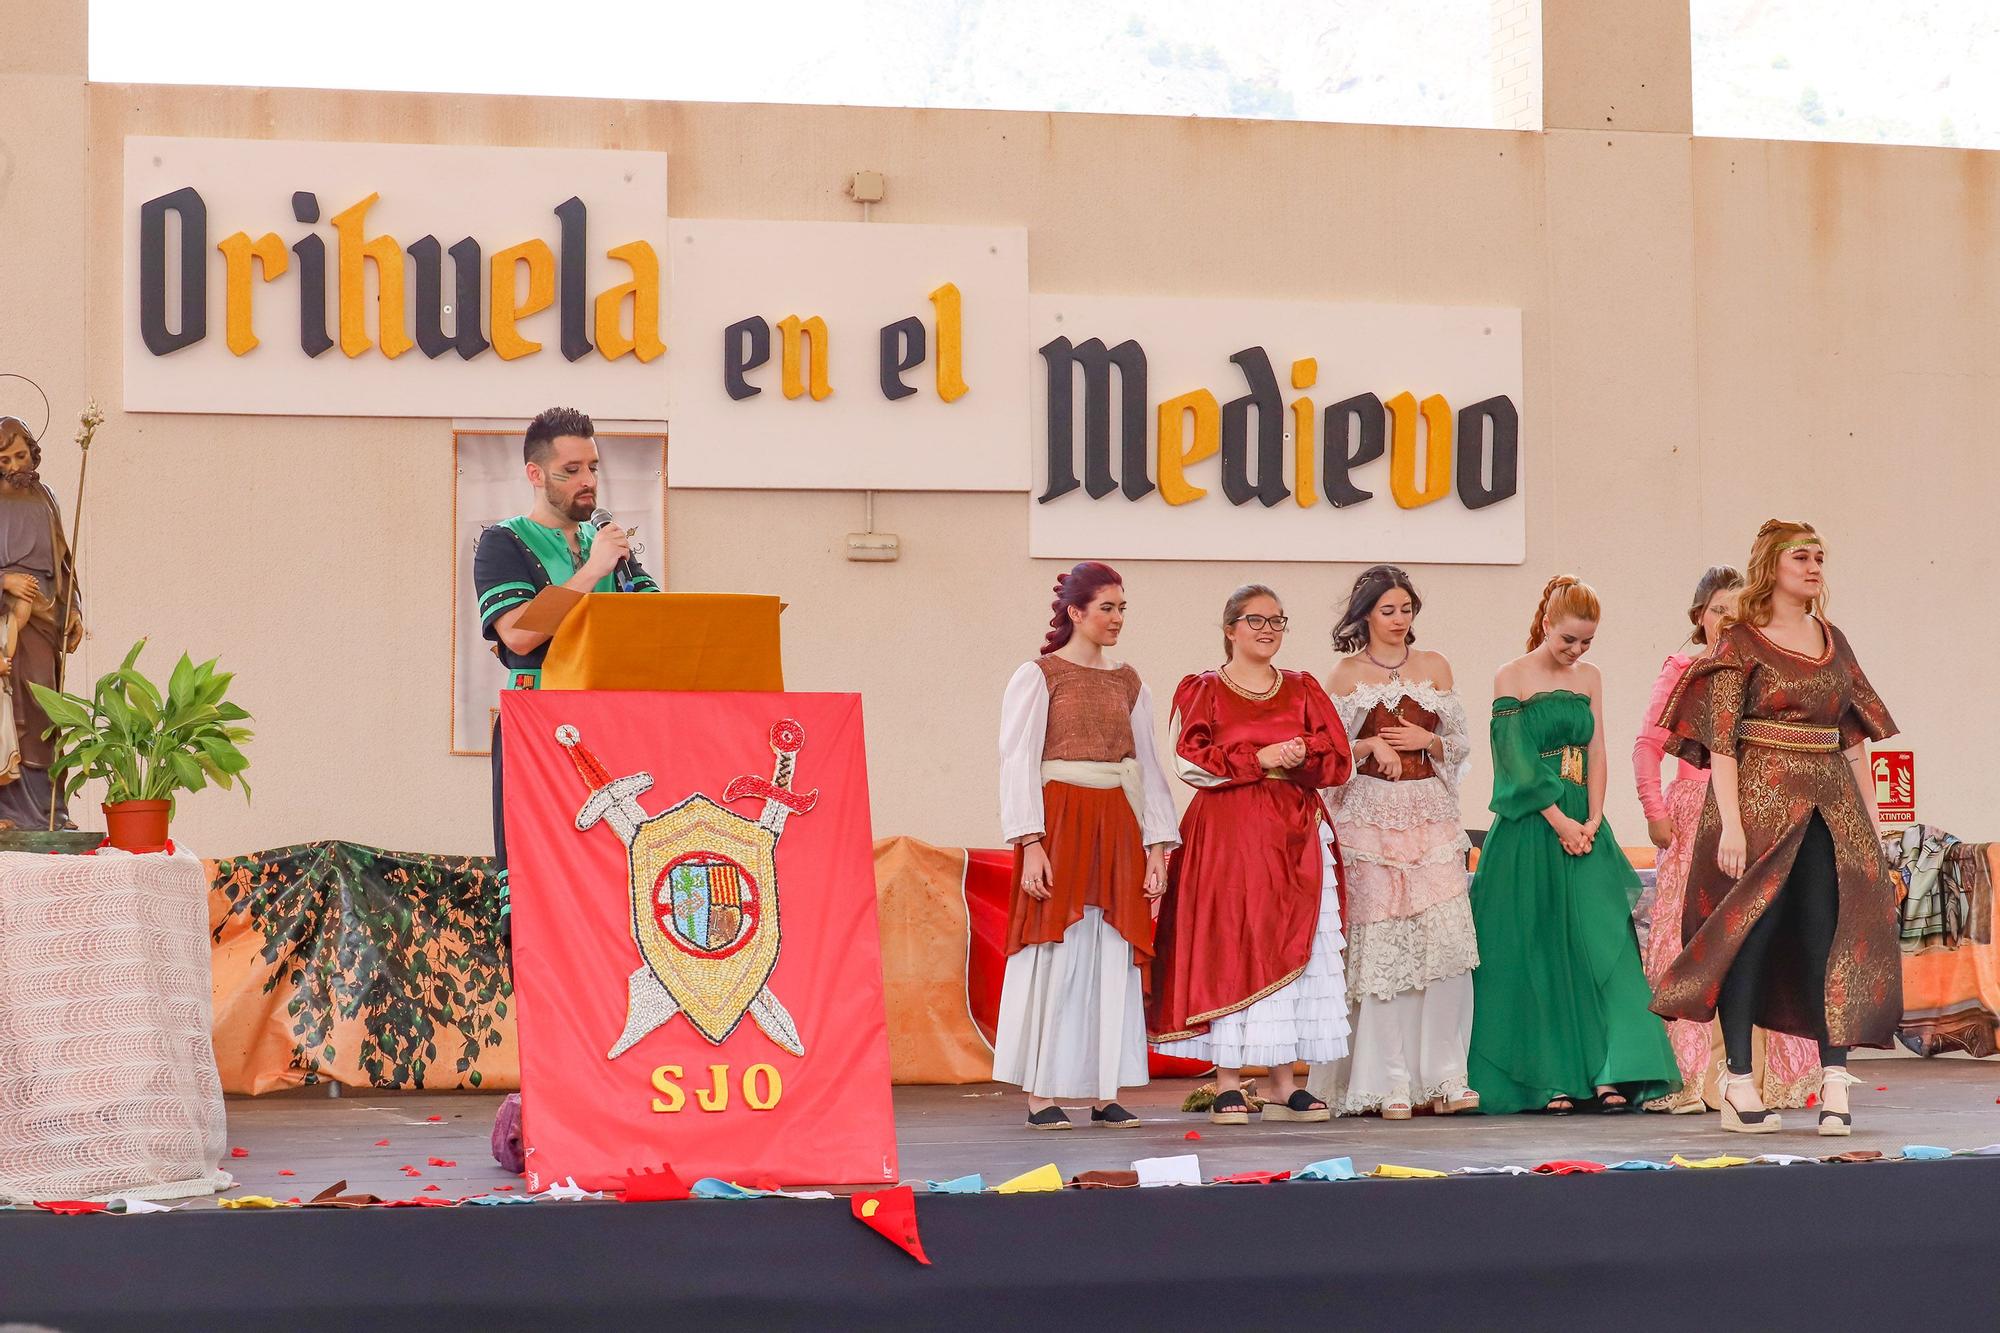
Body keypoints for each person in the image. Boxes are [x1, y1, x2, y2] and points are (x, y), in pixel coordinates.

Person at [1654, 521, 1900, 1136]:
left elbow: (1853, 741)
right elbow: (1723, 744)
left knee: (1829, 937)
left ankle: (1835, 1082)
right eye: (1801, 557)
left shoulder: (1832, 639)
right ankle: (1738, 1082)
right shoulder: (1739, 641)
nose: (1815, 567)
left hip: (1830, 805)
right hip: (1758, 806)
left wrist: (1873, 826)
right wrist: (1731, 826)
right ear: (1772, 566)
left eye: (1820, 557)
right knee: (1748, 937)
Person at [1466, 575, 1679, 1115]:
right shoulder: (1510, 676)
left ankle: (1610, 1071)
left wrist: (1595, 817)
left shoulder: (1590, 677)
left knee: (1600, 945)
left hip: (1585, 825)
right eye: (1568, 639)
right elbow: (1512, 762)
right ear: (1545, 624)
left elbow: (1597, 748)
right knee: (1537, 951)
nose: (1577, 650)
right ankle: (1549, 1078)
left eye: (1586, 641)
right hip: (1530, 828)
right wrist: (1560, 820)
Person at [1148, 584, 1352, 1126]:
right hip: (1228, 834)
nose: (1267, 629)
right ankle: (1229, 1082)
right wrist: (1259, 756)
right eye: (1255, 619)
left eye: (1277, 620)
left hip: (1294, 832)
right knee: (1232, 943)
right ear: (1230, 628)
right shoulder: (1204, 689)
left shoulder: (1304, 688)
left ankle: (1285, 1082)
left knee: (1292, 944)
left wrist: (1302, 751)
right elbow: (1187, 760)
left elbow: (1338, 759)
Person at [995, 562, 1179, 1130]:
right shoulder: (1040, 675)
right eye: (1107, 607)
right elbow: (1018, 760)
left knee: (1110, 947)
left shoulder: (1130, 682)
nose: (1117, 618)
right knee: (1057, 945)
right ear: (1075, 612)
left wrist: (1156, 848)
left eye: (1122, 607)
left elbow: (1147, 766)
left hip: (1117, 823)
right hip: (1062, 821)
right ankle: (1041, 1093)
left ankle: (1103, 1091)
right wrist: (1030, 841)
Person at [1633, 566, 1820, 1115]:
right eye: (1718, 608)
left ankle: (1760, 1075)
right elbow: (1648, 743)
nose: (1727, 617)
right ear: (1699, 615)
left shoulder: (1762, 664)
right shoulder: (1686, 667)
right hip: (1696, 811)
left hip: (1760, 810)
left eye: (1737, 609)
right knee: (1693, 934)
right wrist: (1655, 809)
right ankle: (1696, 1075)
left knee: (1759, 933)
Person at [473, 406, 660, 941]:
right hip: (542, 728)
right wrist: (594, 570)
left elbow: (657, 626)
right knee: (544, 888)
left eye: (594, 468)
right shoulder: (503, 542)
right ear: (535, 474)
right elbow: (519, 634)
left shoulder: (612, 547)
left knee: (618, 894)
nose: (588, 483)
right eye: (571, 470)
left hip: (617, 726)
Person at [1306, 566, 1479, 1120]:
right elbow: (1328, 757)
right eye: (1388, 610)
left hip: (1430, 817)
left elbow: (1462, 746)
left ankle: (1445, 1076)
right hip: (1371, 823)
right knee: (1382, 953)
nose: (1399, 620)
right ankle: (1388, 1081)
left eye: (1406, 609)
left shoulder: (1435, 666)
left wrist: (1429, 739)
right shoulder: (1344, 674)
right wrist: (1370, 744)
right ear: (1365, 615)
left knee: (1444, 947)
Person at [0, 416, 83, 830]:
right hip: (7, 617)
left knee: (43, 714)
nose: (16, 466)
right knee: (7, 711)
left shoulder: (45, 496)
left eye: (21, 455)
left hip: (47, 616)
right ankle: (7, 812)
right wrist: (5, 581)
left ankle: (50, 810)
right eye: (5, 459)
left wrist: (73, 609)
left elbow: (64, 561)